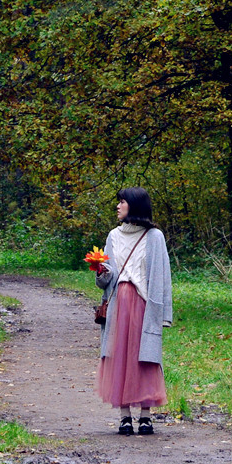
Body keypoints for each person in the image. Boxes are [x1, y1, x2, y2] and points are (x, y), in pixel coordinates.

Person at [93, 186, 172, 435]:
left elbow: (162, 277)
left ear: (134, 206)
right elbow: (106, 280)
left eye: (122, 202)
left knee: (145, 358)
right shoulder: (113, 236)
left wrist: (164, 314)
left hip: (143, 304)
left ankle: (146, 415)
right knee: (119, 356)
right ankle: (125, 416)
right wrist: (102, 273)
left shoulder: (154, 237)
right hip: (118, 305)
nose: (118, 206)